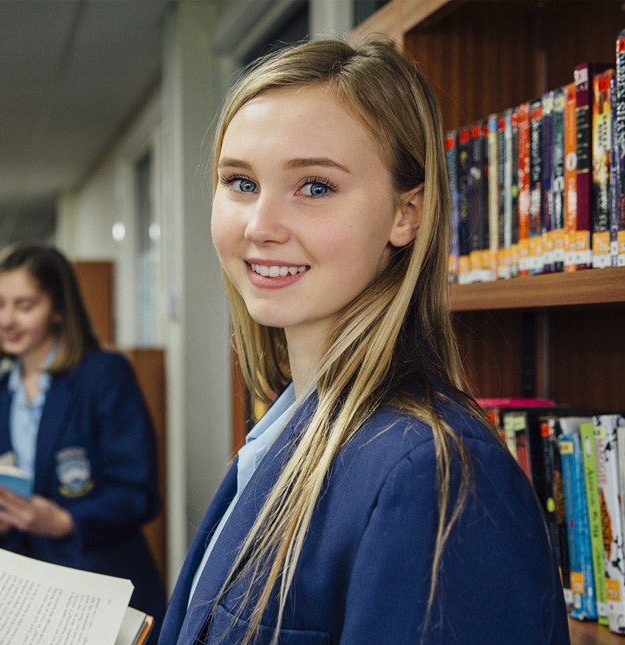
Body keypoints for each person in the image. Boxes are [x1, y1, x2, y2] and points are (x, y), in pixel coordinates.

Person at [158, 38, 569, 645]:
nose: (260, 226)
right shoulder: (287, 427)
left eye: (315, 187)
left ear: (407, 214)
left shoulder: (431, 473)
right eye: (240, 182)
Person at [0, 242, 166, 631]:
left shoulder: (103, 373)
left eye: (24, 306)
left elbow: (138, 494)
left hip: (98, 585)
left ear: (58, 310)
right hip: (23, 596)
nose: (6, 319)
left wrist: (64, 520)